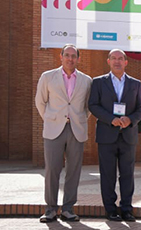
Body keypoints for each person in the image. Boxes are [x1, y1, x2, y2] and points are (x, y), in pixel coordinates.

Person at [34, 44, 92, 223]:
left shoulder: (86, 80)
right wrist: (51, 119)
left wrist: (78, 119)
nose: (70, 59)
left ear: (78, 59)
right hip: (54, 129)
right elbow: (40, 101)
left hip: (76, 129)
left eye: (74, 56)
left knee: (73, 170)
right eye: (67, 55)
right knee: (52, 169)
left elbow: (88, 107)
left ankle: (68, 209)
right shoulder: (48, 77)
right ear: (61, 57)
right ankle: (50, 209)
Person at [88, 49, 141, 222]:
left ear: (126, 62)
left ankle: (127, 209)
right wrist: (111, 119)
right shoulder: (98, 82)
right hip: (106, 135)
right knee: (107, 174)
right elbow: (93, 105)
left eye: (121, 59)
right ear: (108, 61)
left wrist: (131, 120)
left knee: (127, 174)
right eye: (114, 58)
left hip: (128, 135)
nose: (117, 61)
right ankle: (111, 210)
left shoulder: (136, 83)